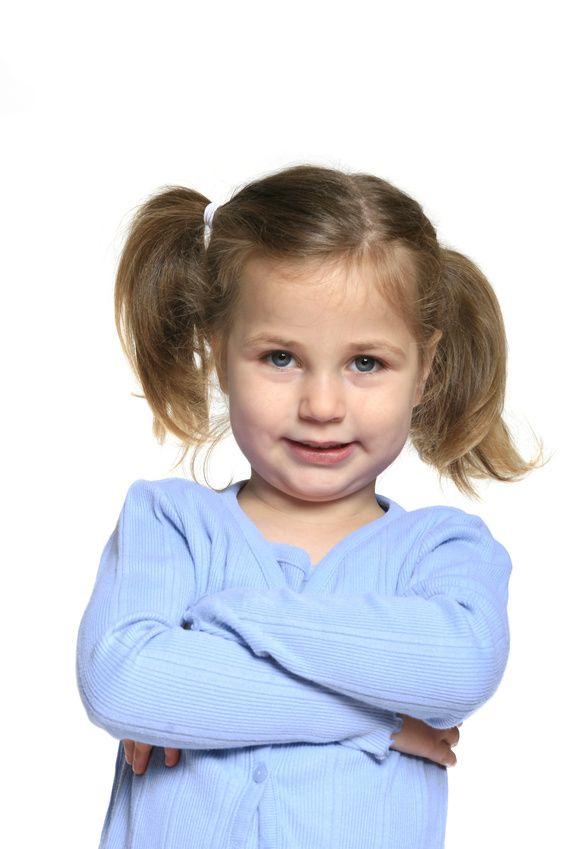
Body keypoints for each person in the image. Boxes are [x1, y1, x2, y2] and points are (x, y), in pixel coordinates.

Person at [75, 164, 547, 849]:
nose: (322, 406)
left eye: (365, 363)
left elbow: (462, 668)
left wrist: (220, 627)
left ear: (425, 370)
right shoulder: (168, 523)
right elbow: (122, 683)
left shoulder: (445, 552)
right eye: (279, 357)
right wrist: (377, 721)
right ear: (218, 353)